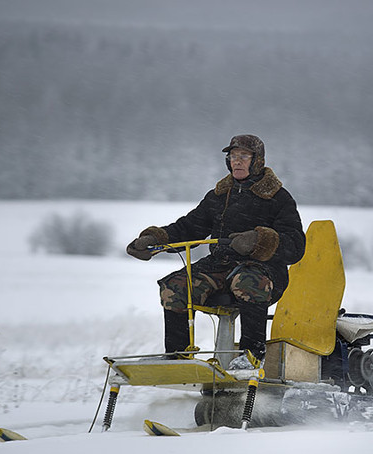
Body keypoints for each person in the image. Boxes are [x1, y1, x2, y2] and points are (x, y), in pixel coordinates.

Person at [126, 134, 306, 369]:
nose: (237, 161)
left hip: (264, 271)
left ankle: (250, 357)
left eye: (243, 156)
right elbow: (189, 227)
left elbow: (295, 245)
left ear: (257, 160)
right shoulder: (219, 196)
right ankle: (177, 357)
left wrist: (257, 241)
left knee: (247, 281)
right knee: (175, 286)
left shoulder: (278, 198)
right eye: (232, 156)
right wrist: (154, 239)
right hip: (220, 265)